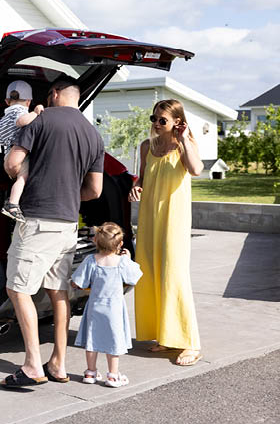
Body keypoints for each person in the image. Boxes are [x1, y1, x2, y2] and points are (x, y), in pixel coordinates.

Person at [0, 77, 104, 388]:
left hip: (37, 221)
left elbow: (13, 163)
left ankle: (33, 365)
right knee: (58, 292)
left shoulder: (41, 121)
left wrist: (16, 173)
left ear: (55, 94)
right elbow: (95, 190)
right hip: (68, 224)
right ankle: (58, 363)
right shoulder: (93, 134)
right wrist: (67, 194)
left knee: (18, 290)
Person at [129, 99, 204, 366]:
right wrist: (137, 186)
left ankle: (191, 343)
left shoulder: (185, 145)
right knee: (151, 272)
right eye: (154, 119)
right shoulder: (146, 146)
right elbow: (143, 177)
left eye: (163, 120)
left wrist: (183, 140)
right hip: (150, 216)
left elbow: (196, 170)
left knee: (174, 274)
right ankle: (166, 336)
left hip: (174, 218)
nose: (157, 124)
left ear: (177, 122)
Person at [71, 222, 143, 388]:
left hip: (95, 307)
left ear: (95, 240)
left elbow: (78, 282)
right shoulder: (122, 262)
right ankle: (113, 376)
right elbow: (134, 277)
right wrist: (127, 258)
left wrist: (72, 283)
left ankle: (90, 372)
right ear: (120, 243)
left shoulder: (91, 260)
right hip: (114, 309)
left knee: (92, 339)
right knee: (113, 341)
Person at [0, 80, 45, 222]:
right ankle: (12, 205)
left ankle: (13, 202)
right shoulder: (20, 112)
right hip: (18, 154)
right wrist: (35, 113)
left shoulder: (4, 118)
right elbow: (21, 121)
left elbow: (2, 139)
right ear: (28, 102)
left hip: (8, 154)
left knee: (20, 179)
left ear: (7, 101)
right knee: (23, 178)